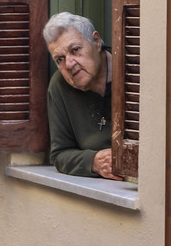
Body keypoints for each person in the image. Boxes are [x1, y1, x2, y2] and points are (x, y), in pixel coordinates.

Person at [43, 12, 121, 180]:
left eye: (75, 50)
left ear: (96, 41)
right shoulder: (59, 87)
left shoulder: (131, 70)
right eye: (60, 59)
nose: (69, 64)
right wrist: (94, 162)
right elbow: (59, 154)